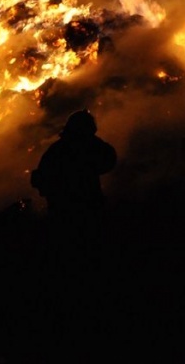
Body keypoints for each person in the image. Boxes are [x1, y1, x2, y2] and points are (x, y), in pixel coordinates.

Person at [30, 109, 117, 263]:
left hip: (63, 211)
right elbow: (110, 159)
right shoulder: (89, 146)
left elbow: (39, 179)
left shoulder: (56, 150)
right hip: (85, 208)